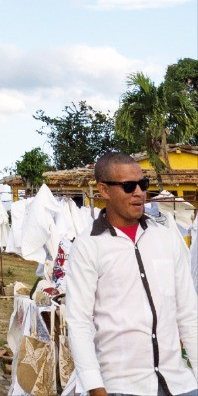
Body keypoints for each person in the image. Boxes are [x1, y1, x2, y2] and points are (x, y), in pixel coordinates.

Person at [65, 152, 197, 396]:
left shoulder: (167, 239)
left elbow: (189, 314)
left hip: (179, 382)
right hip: (121, 385)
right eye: (128, 186)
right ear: (104, 190)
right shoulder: (88, 246)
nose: (139, 192)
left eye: (142, 184)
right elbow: (79, 322)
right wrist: (96, 388)